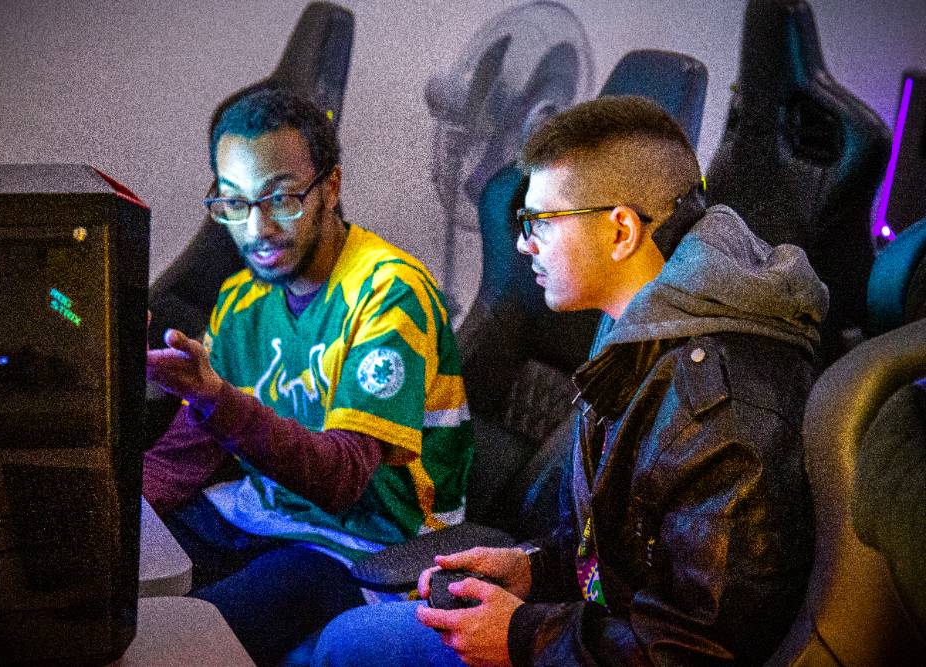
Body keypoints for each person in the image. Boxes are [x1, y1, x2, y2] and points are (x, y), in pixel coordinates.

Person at [311, 94, 828, 666]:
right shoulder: (641, 321)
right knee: (350, 637)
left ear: (621, 231)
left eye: (540, 222)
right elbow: (629, 551)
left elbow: (695, 652)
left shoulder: (723, 411)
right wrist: (535, 568)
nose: (522, 244)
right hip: (592, 634)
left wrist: (523, 637)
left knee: (347, 646)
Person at [142, 86, 474, 663]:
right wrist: (110, 502)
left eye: (281, 199)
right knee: (99, 585)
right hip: (253, 514)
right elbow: (189, 452)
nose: (257, 229)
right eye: (235, 203)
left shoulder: (389, 293)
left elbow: (343, 478)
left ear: (333, 187)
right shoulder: (244, 295)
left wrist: (218, 399)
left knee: (175, 642)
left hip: (358, 544)